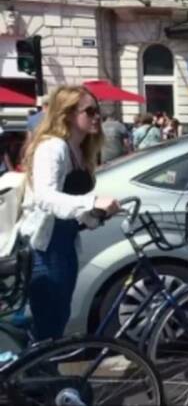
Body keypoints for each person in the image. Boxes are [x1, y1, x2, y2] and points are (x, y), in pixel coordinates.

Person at [18, 85, 120, 342]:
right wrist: (91, 202)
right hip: (45, 249)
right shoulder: (53, 147)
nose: (97, 116)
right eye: (90, 111)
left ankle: (44, 365)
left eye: (98, 110)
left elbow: (70, 201)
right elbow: (45, 197)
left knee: (57, 319)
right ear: (67, 114)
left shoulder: (80, 149)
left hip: (64, 246)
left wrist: (94, 215)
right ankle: (35, 366)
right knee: (48, 324)